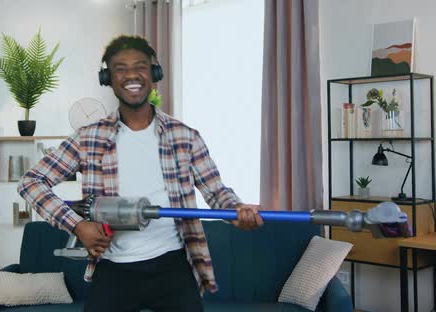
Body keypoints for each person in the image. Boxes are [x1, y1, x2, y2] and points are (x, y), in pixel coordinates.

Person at [18, 35, 263, 312]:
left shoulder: (185, 137)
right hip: (113, 269)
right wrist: (77, 225)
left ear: (154, 73)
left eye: (141, 66)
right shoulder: (89, 138)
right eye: (120, 68)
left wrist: (237, 211)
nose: (131, 74)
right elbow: (31, 183)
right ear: (107, 78)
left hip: (173, 266)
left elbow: (217, 192)